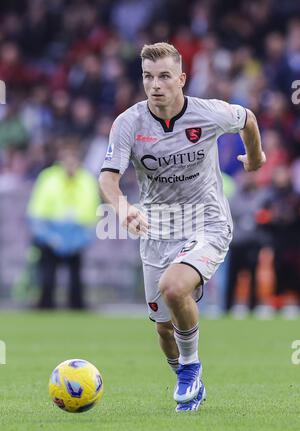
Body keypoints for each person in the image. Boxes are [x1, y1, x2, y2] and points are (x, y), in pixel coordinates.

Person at [99, 43, 265, 412]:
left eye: (164, 76)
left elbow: (248, 119)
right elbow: (108, 178)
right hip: (157, 231)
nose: (155, 85)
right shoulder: (128, 123)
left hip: (207, 222)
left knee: (174, 288)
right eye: (147, 77)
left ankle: (191, 367)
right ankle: (187, 377)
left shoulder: (207, 113)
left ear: (181, 79)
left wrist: (255, 158)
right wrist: (123, 208)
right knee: (163, 329)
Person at [28, 139, 99, 309]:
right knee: (47, 274)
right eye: (67, 158)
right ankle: (45, 304)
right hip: (51, 232)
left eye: (73, 158)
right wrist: (49, 236)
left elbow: (92, 213)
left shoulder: (87, 180)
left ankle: (77, 305)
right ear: (61, 159)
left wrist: (80, 238)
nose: (70, 163)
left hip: (76, 233)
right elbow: (36, 212)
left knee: (76, 276)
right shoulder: (48, 177)